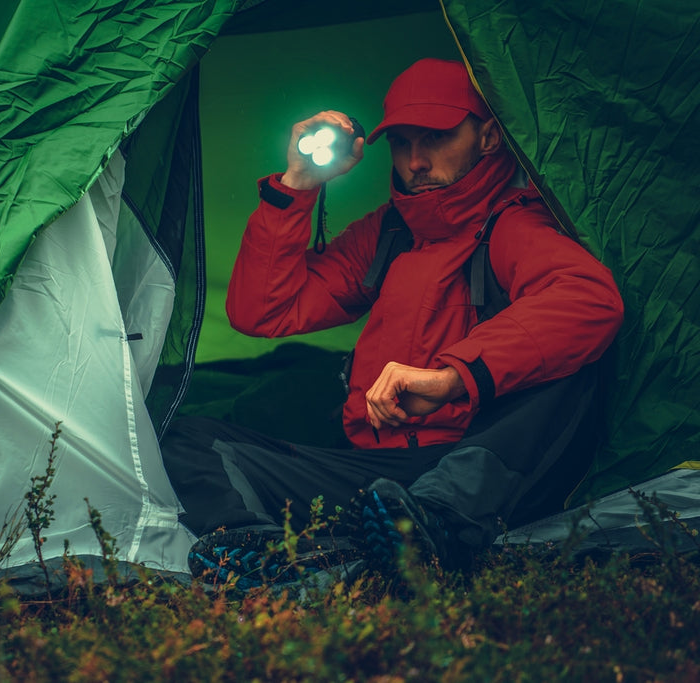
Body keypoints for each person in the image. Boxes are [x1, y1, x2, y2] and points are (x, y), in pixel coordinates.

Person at [160, 58, 624, 586]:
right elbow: (264, 310)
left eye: (437, 137)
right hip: (376, 483)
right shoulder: (391, 232)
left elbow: (589, 298)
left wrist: (453, 377)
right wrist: (298, 186)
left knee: (571, 365)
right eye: (402, 143)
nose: (416, 160)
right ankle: (269, 559)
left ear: (490, 136)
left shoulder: (512, 224)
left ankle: (434, 529)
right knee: (187, 438)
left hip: (469, 467)